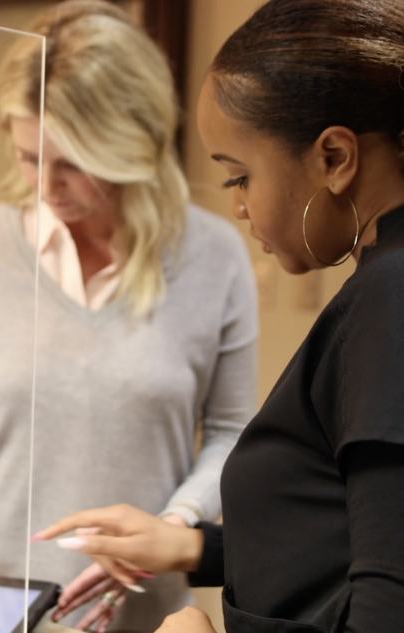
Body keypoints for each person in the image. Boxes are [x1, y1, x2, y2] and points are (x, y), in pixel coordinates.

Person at [34, 0, 404, 632]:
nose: (238, 207)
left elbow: (387, 605)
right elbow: (345, 536)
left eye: (238, 178)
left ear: (335, 158)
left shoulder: (389, 297)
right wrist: (191, 546)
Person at [0, 1, 258, 631]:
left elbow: (231, 430)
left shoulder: (216, 255)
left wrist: (173, 524)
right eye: (31, 158)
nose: (46, 187)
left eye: (74, 164)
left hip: (140, 610)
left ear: (131, 146)